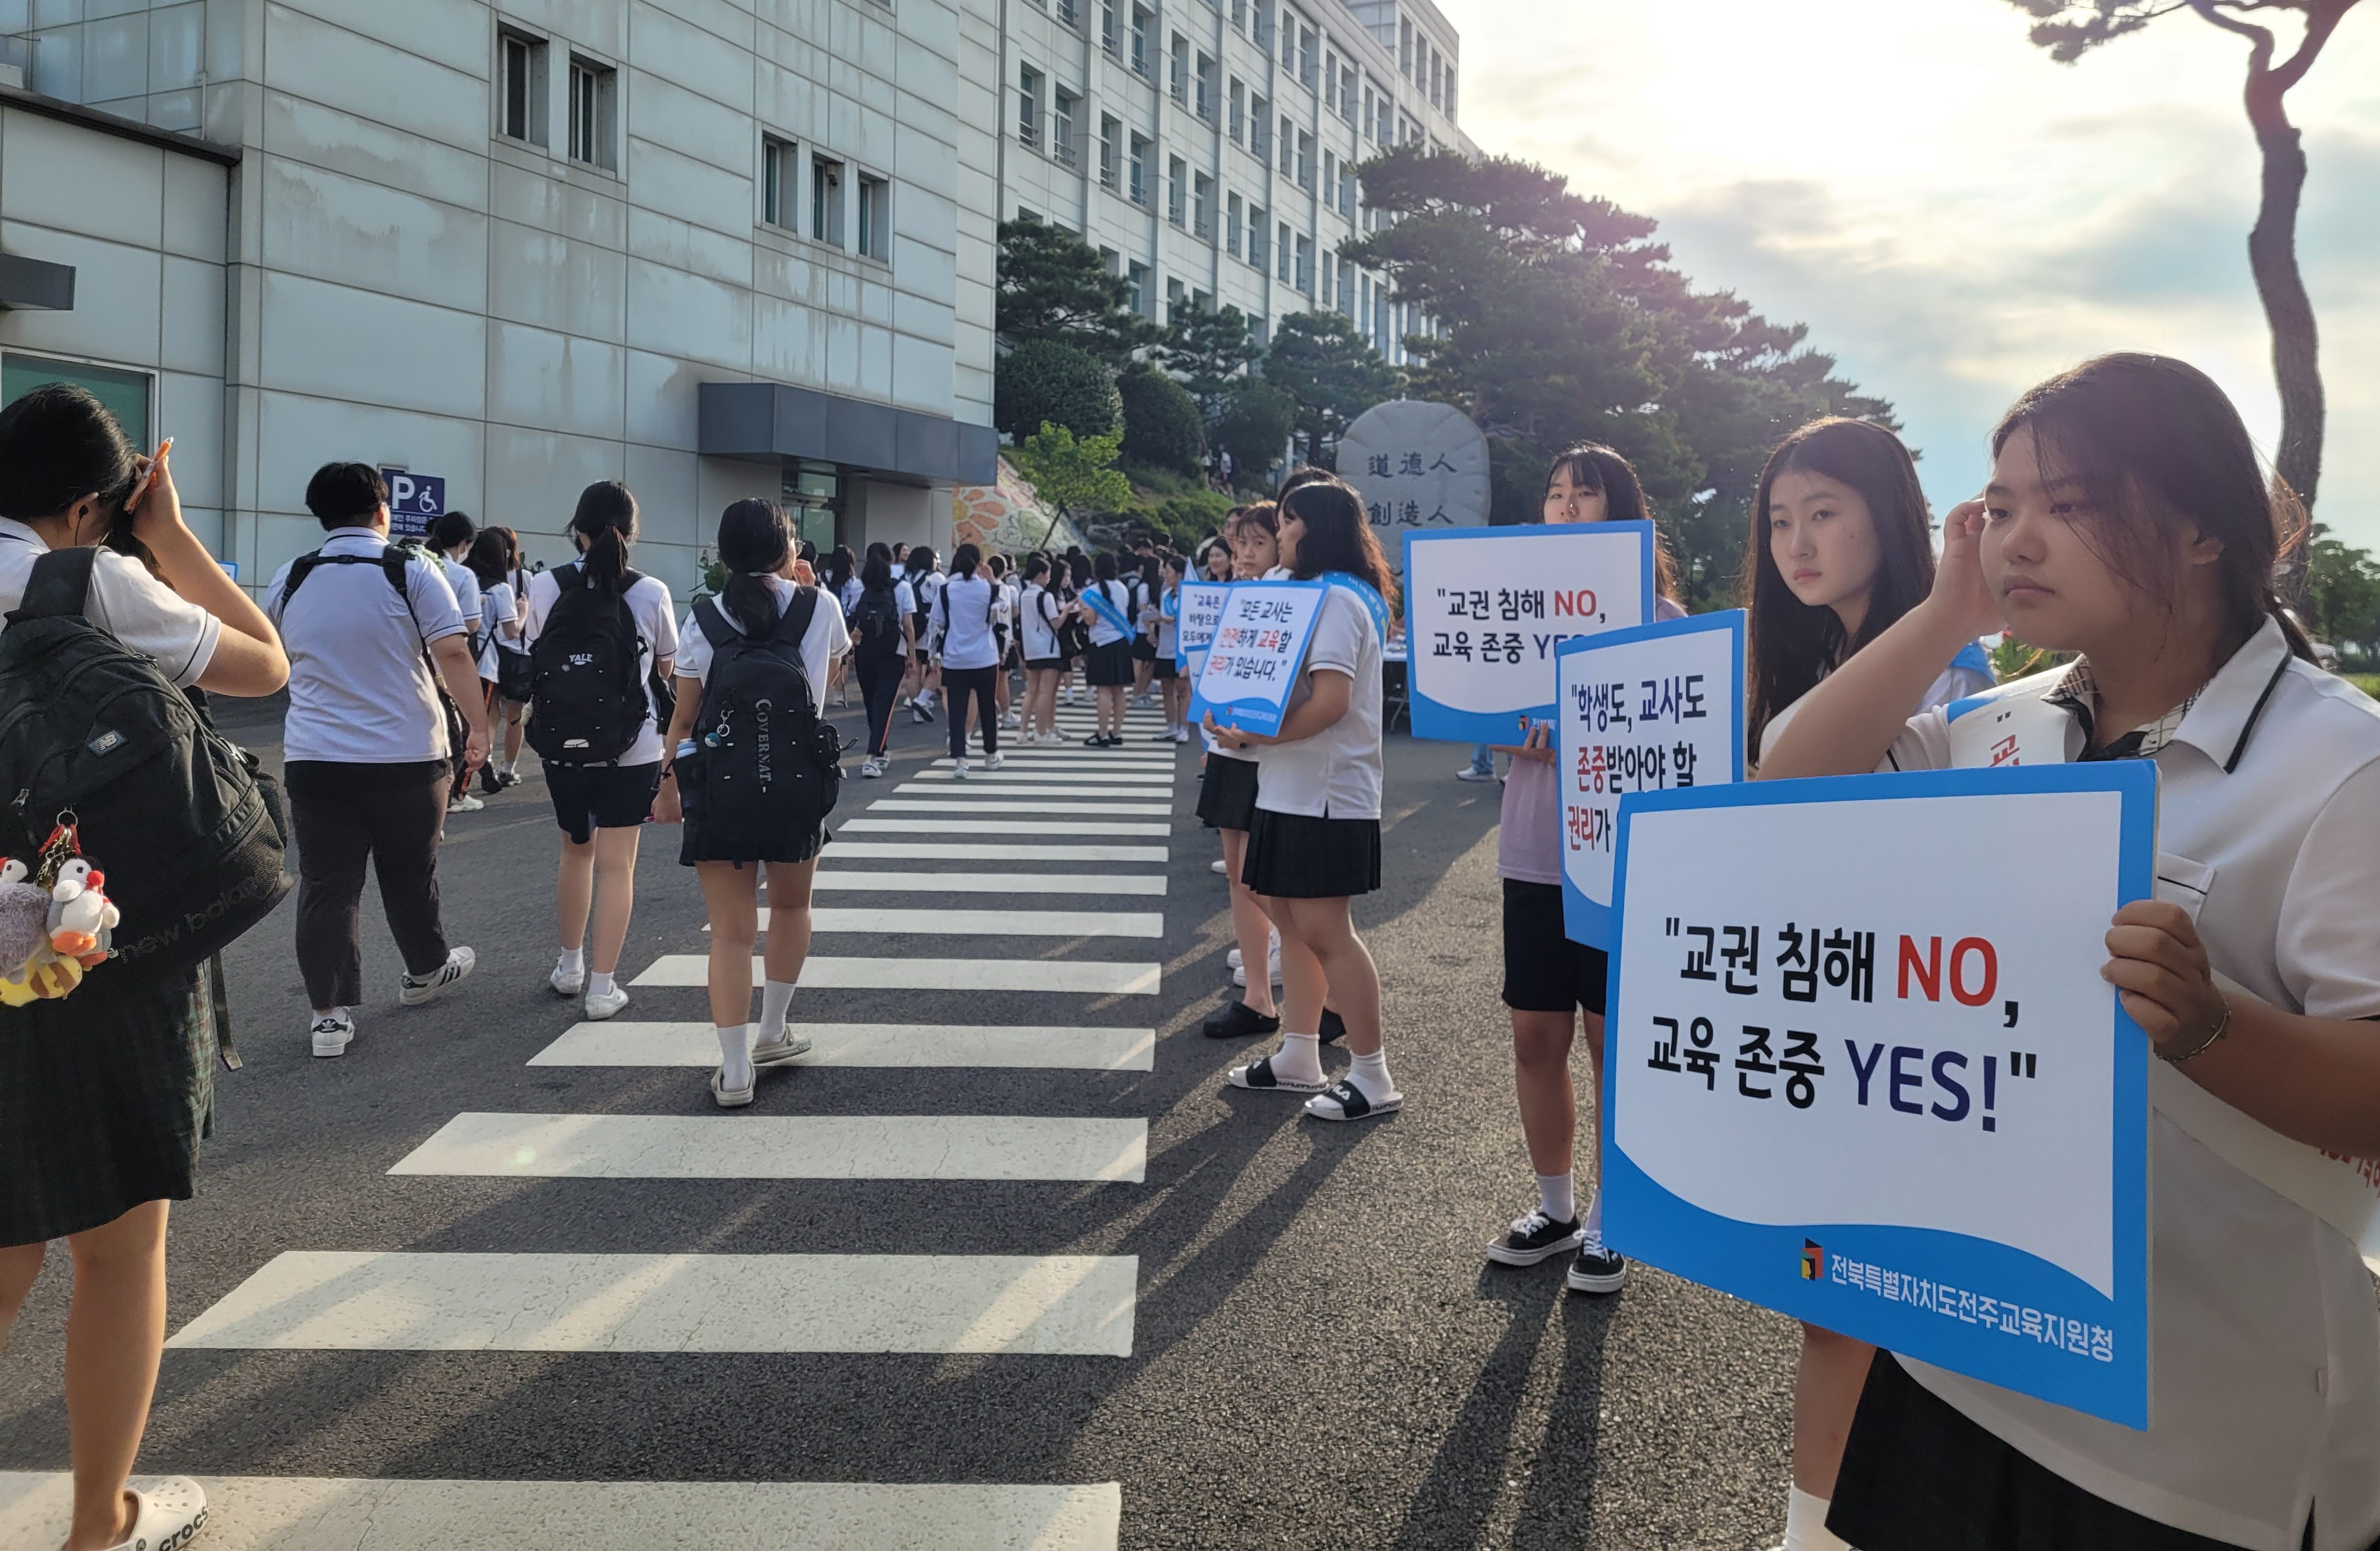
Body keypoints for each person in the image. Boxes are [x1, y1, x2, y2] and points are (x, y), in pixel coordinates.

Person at [1761, 354, 2380, 1551]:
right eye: (2000, 508)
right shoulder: (2005, 724)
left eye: (2071, 502)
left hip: (2200, 1435)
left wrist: (2209, 1027)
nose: (2018, 540)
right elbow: (1784, 789)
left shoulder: (2340, 765)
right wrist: (1946, 615)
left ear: (2203, 530)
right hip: (1964, 1348)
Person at [0, 386, 290, 1551]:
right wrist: (166, 536)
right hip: (92, 941)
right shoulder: (90, 583)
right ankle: (98, 1522)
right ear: (89, 506)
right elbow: (265, 666)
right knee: (119, 1248)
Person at [1736, 418, 2000, 1551]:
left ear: (1889, 517)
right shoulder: (1826, 656)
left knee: (1867, 1317)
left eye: (1823, 513)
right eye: (1779, 521)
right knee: (1829, 1306)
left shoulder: (1952, 669)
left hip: (1911, 1033)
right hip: (1833, 1015)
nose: (1797, 543)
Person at [1480, 444, 1689, 1302]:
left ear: (1623, 510)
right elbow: (1478, 711)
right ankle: (1556, 1208)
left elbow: (1676, 748)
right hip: (1534, 850)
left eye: (1585, 494)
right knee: (1535, 1035)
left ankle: (1613, 1219)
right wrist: (1516, 733)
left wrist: (1578, 740)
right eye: (1555, 493)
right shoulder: (1516, 606)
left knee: (1613, 1048)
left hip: (1619, 863)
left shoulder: (1661, 618)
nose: (1565, 507)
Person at [266, 463, 486, 1058]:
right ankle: (425, 971)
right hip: (406, 756)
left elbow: (275, 653)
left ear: (321, 516)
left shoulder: (292, 576)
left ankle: (329, 1017)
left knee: (326, 884)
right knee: (410, 871)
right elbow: (453, 652)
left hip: (315, 757)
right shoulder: (411, 569)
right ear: (382, 511)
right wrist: (480, 727)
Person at [1211, 476, 1400, 1121]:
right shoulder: (1303, 595)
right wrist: (1237, 723)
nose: (1279, 532)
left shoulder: (1338, 601)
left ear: (1317, 530)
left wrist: (1256, 733)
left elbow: (1331, 702)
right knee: (1290, 924)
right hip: (1287, 786)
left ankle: (1372, 1074)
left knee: (1325, 931)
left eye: (1289, 521)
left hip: (1328, 792)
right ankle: (1299, 1054)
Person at [658, 499, 849, 1107]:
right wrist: (810, 591)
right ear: (787, 549)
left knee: (730, 933)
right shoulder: (821, 607)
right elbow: (828, 684)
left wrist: (666, 785)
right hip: (797, 785)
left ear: (724, 555)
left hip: (721, 789)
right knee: (792, 907)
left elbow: (683, 720)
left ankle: (736, 1070)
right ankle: (773, 1031)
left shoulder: (703, 619)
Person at [522, 481, 676, 1022]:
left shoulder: (545, 585)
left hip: (562, 741)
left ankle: (569, 967)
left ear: (578, 530)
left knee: (575, 852)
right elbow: (665, 664)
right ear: (632, 533)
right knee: (617, 866)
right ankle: (603, 988)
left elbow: (535, 653)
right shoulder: (651, 591)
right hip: (632, 744)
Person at [1201, 503, 1286, 1039]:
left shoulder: (1288, 596)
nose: (1246, 553)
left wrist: (1245, 733)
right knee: (1238, 877)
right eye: (1240, 544)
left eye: (1258, 542)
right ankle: (1258, 996)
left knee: (1257, 879)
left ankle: (1300, 971)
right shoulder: (1241, 595)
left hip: (1262, 755)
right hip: (1230, 748)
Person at [426, 511, 486, 813]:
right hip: (446, 666)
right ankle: (444, 799)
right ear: (464, 544)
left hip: (412, 663)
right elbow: (472, 624)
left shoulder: (415, 565)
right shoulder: (462, 575)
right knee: (454, 737)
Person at [934, 543, 1006, 777]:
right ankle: (991, 754)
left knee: (957, 710)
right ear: (980, 563)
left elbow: (938, 621)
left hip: (955, 658)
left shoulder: (947, 589)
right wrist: (993, 580)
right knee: (987, 707)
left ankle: (961, 760)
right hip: (985, 657)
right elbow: (1002, 610)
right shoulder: (988, 589)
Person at [463, 527, 524, 793]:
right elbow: (511, 632)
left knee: (460, 722)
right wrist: (523, 611)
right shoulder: (500, 589)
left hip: (454, 660)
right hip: (483, 664)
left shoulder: (462, 579)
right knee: (482, 722)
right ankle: (461, 789)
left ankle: (482, 768)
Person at [848, 542, 917, 778]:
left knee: (871, 704)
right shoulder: (903, 587)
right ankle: (872, 756)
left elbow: (852, 618)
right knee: (884, 704)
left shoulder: (858, 586)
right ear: (891, 560)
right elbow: (908, 627)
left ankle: (880, 750)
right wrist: (912, 657)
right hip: (893, 652)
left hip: (864, 652)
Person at [1076, 551, 1138, 746]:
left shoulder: (1091, 592)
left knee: (1104, 691)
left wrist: (1082, 609)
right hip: (1121, 643)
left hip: (1102, 644)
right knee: (1119, 691)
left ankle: (1102, 734)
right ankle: (1116, 732)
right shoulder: (1122, 588)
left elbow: (1091, 621)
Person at [488, 526, 534, 787]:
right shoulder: (525, 578)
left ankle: (485, 766)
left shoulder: (483, 578)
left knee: (490, 713)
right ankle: (507, 769)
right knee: (514, 715)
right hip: (519, 653)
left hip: (492, 653)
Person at [1018, 554, 1067, 744]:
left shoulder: (1024, 595)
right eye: (1047, 574)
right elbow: (1056, 623)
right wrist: (1066, 610)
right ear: (1040, 574)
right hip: (1048, 648)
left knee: (1032, 691)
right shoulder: (1045, 596)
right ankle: (1041, 732)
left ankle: (1022, 732)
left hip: (1030, 649)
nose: (1049, 578)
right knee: (1046, 692)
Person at [1150, 551, 1191, 743]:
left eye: (1169, 572)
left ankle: (1184, 728)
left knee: (1183, 690)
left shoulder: (1190, 595)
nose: (1165, 576)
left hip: (1182, 649)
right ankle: (1171, 726)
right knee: (1167, 690)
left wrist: (1167, 619)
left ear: (1180, 575)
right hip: (1165, 647)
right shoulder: (1165, 594)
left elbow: (1186, 620)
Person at [904, 545, 943, 722]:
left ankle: (917, 710)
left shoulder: (906, 578)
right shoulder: (937, 579)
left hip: (911, 628)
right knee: (937, 668)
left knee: (914, 667)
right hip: (931, 629)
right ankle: (923, 699)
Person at [822, 544, 858, 708]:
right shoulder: (853, 582)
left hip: (826, 619)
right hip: (845, 622)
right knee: (843, 657)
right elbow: (855, 604)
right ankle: (838, 693)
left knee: (827, 657)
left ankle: (823, 689)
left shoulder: (823, 576)